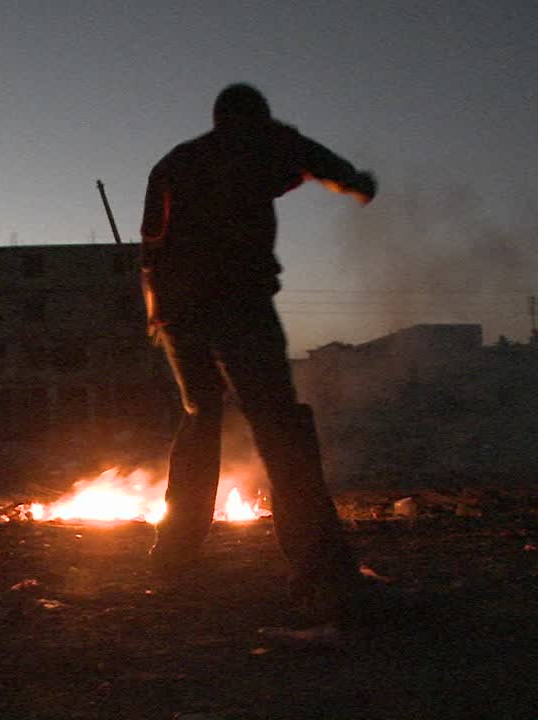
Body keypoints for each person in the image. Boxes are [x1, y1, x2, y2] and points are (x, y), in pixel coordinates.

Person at [140, 83, 376, 628]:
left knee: (201, 415)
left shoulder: (175, 162)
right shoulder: (258, 143)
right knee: (277, 424)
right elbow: (317, 160)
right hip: (236, 302)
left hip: (177, 312)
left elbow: (151, 239)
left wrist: (158, 312)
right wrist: (358, 183)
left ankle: (174, 554)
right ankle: (320, 569)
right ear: (253, 119)